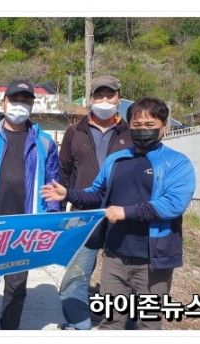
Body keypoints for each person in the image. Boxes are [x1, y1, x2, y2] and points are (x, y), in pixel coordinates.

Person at [42, 97, 196, 330]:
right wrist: (68, 194)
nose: (142, 130)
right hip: (115, 255)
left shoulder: (177, 163)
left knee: (148, 322)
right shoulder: (117, 159)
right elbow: (97, 194)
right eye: (136, 125)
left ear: (164, 126)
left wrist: (126, 212)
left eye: (149, 125)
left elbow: (173, 204)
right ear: (129, 125)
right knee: (111, 320)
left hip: (153, 258)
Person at [0, 80, 60, 330]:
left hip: (25, 228)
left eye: (26, 101)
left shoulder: (45, 142)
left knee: (17, 287)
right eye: (15, 100)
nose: (20, 105)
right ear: (4, 102)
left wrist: (50, 225)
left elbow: (53, 185)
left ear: (32, 105)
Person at [56, 75, 132, 330]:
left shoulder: (131, 133)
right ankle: (79, 326)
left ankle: (120, 327)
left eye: (109, 95)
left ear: (119, 98)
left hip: (121, 218)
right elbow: (63, 173)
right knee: (74, 278)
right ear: (90, 100)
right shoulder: (74, 132)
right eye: (98, 96)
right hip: (83, 216)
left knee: (122, 280)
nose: (104, 101)